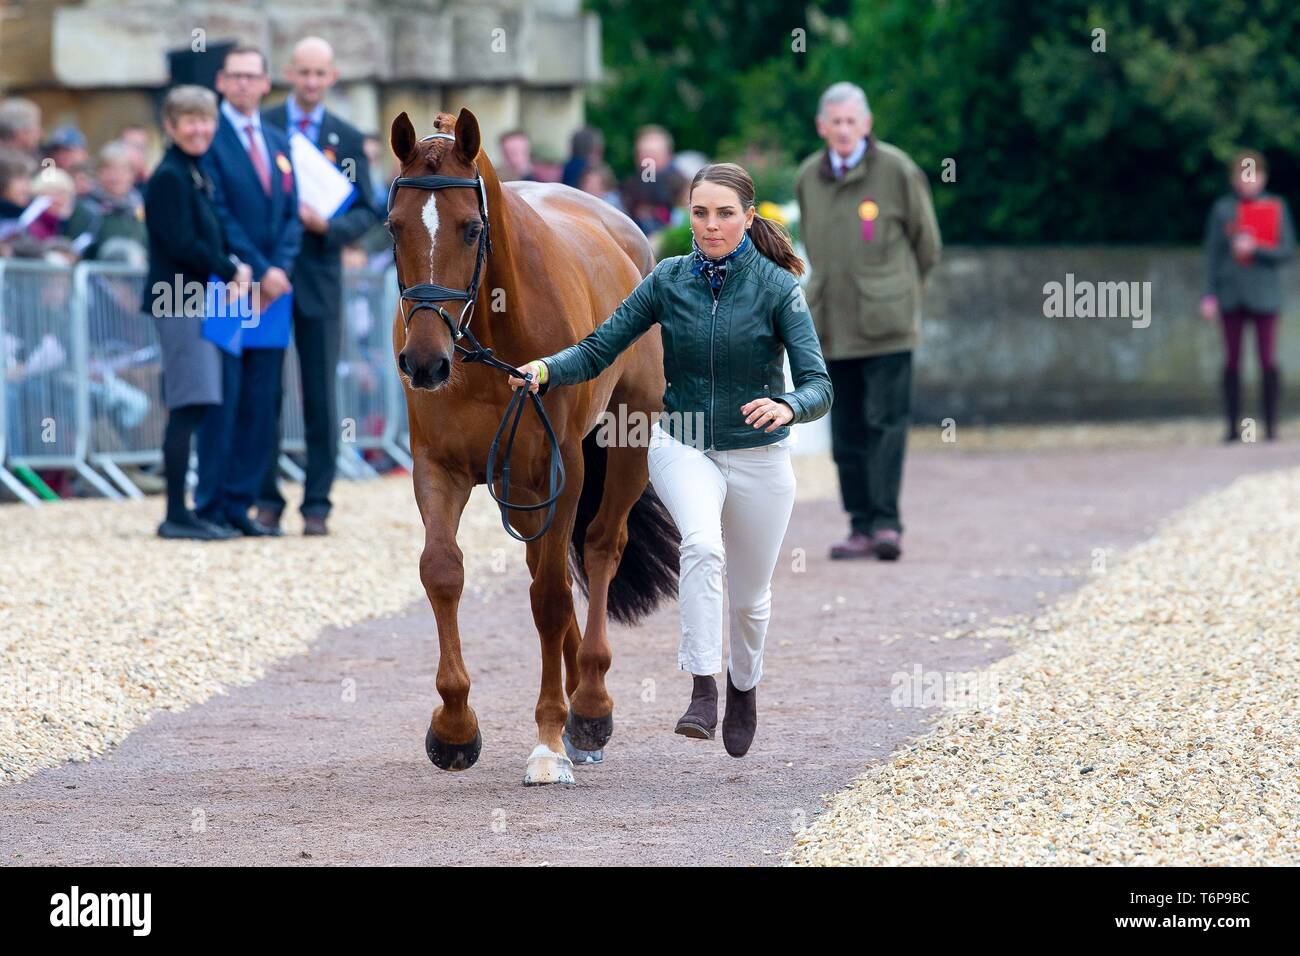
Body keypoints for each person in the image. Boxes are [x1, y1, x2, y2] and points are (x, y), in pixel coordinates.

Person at [508, 162, 833, 758]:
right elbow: (601, 346)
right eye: (701, 213)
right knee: (702, 546)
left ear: (748, 218)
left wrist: (788, 405)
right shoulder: (667, 279)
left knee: (752, 599)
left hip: (759, 455)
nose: (711, 226)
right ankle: (703, 688)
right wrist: (548, 368)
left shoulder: (778, 287)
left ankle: (743, 688)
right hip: (681, 441)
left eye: (725, 214)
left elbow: (819, 384)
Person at [796, 81, 941, 562]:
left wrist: (897, 295)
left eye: (850, 121)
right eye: (834, 121)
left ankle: (886, 525)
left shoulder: (897, 170)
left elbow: (927, 246)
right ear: (821, 126)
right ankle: (859, 526)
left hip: (888, 325)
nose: (842, 130)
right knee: (846, 431)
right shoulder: (808, 178)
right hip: (833, 326)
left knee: (886, 424)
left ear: (866, 124)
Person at [254, 36, 378, 536]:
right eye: (302, 72)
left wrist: (332, 229)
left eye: (318, 73)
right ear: (289, 73)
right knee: (263, 389)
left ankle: (317, 504)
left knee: (321, 392)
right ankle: (264, 499)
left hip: (321, 275)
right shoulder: (263, 126)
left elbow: (370, 209)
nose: (309, 82)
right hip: (266, 275)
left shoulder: (346, 137)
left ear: (332, 77)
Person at [196, 44, 302, 536]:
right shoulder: (208, 139)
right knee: (225, 397)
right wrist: (261, 269)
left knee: (264, 398)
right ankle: (212, 503)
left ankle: (243, 503)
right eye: (234, 76)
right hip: (229, 285)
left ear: (265, 83)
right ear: (221, 82)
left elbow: (291, 215)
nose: (242, 84)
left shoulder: (279, 141)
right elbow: (219, 214)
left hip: (275, 292)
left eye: (251, 76)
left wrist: (278, 268)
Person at [141, 84, 249, 540]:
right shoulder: (169, 176)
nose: (200, 128)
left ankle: (186, 510)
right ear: (171, 125)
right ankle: (175, 514)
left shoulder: (191, 171)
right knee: (189, 404)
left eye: (205, 119)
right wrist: (230, 267)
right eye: (190, 120)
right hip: (178, 296)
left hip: (196, 296)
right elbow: (181, 242)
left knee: (198, 402)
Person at [1200, 149, 1296, 442]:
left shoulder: (1277, 207)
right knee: (1232, 361)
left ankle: (1270, 428)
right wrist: (1209, 295)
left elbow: (1286, 250)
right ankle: (1234, 428)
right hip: (1231, 295)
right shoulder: (1222, 210)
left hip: (1265, 295)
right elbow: (1212, 255)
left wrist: (1256, 249)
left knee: (1267, 360)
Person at [64, 141, 148, 261]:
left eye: (122, 169)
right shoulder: (86, 208)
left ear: (132, 174)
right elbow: (74, 251)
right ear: (98, 173)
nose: (115, 176)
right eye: (108, 169)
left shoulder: (139, 209)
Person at [619, 125, 687, 236]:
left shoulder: (683, 188)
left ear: (668, 156)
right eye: (643, 155)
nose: (648, 160)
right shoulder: (629, 190)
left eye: (653, 155)